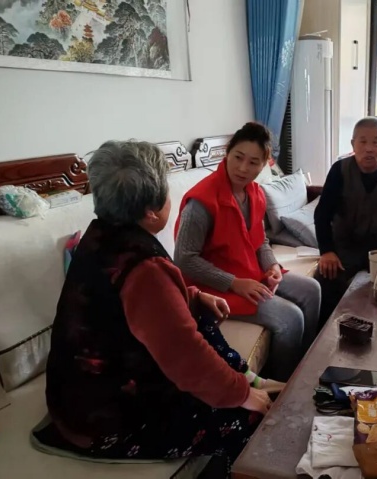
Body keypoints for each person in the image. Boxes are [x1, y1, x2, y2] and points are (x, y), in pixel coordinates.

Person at [37, 141, 275, 477]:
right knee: (249, 418)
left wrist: (192, 297)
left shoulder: (102, 234)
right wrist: (241, 394)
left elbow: (129, 307)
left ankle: (250, 379)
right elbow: (186, 358)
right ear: (152, 212)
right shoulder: (144, 268)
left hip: (83, 390)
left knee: (201, 315)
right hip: (105, 418)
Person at [174, 122, 321, 382]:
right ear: (227, 153)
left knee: (312, 290)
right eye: (238, 157)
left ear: (264, 164)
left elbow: (260, 239)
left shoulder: (254, 193)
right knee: (290, 318)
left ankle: (303, 368)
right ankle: (283, 386)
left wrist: (272, 266)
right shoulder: (201, 202)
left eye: (253, 162)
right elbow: (184, 260)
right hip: (214, 287)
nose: (243, 168)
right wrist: (234, 283)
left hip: (248, 271)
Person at [313, 116, 377, 325]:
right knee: (324, 283)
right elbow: (322, 214)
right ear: (353, 144)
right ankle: (321, 337)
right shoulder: (339, 170)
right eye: (363, 141)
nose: (369, 148)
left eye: (376, 142)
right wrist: (327, 251)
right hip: (344, 249)